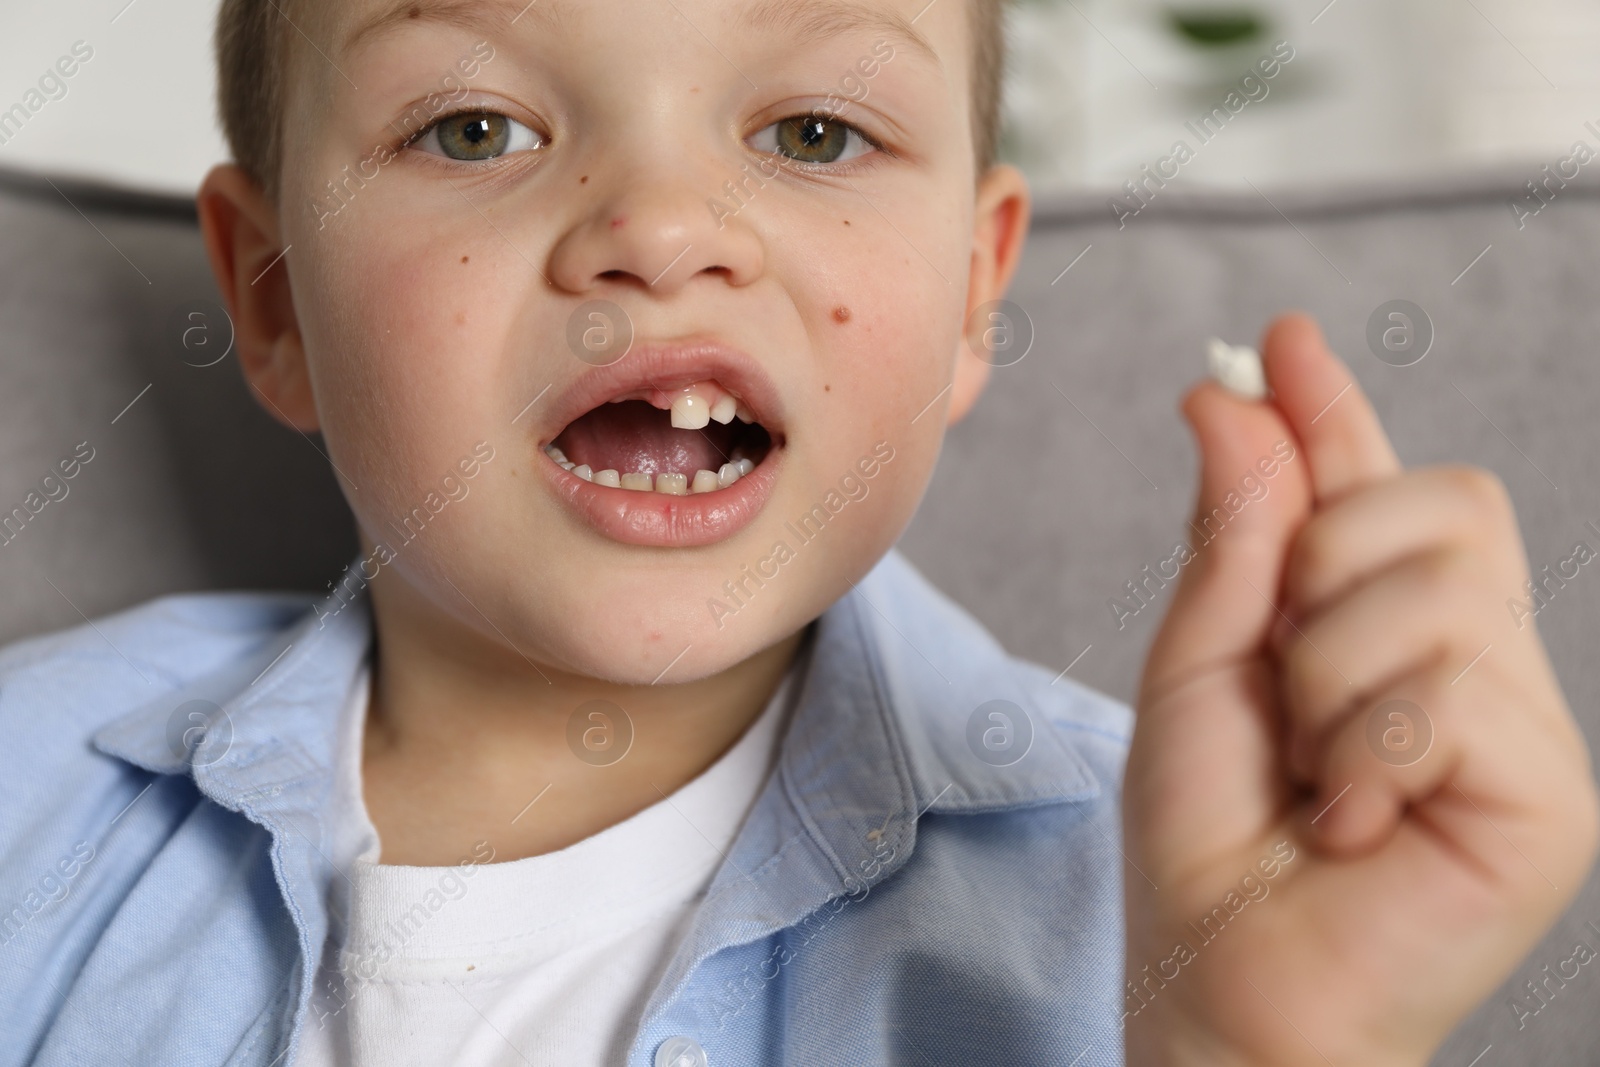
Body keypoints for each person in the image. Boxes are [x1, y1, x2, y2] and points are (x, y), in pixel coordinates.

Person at [1, 0, 1594, 1064]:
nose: (666, 229)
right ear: (272, 301)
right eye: (475, 130)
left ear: (977, 290)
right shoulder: (30, 797)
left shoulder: (1199, 912)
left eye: (815, 134)